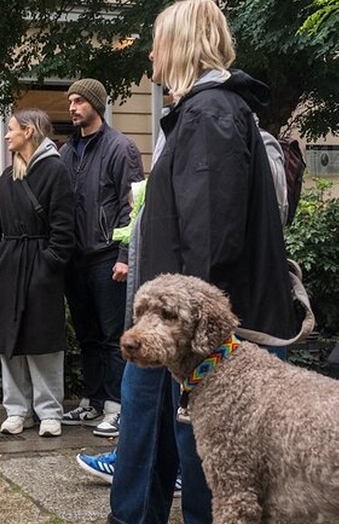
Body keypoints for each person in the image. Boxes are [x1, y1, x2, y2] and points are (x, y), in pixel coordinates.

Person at [105, 1, 299, 523]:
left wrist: (178, 335)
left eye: (156, 42)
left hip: (194, 335)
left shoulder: (210, 114)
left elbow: (210, 241)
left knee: (203, 465)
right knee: (159, 446)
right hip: (179, 326)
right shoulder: (206, 111)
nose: (150, 54)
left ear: (181, 45)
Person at [59, 78, 144, 438]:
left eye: (79, 101)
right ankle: (91, 401)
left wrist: (125, 255)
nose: (72, 107)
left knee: (113, 336)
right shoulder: (67, 151)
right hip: (74, 259)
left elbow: (133, 206)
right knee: (87, 335)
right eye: (70, 101)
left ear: (97, 104)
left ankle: (116, 406)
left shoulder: (121, 148)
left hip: (107, 256)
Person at [0, 108, 75, 438]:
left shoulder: (55, 171)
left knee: (43, 341)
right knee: (9, 341)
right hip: (8, 266)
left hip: (39, 265)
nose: (6, 135)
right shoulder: (8, 176)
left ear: (29, 131)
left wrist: (47, 264)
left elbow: (64, 228)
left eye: (11, 129)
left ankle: (49, 412)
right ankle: (16, 410)